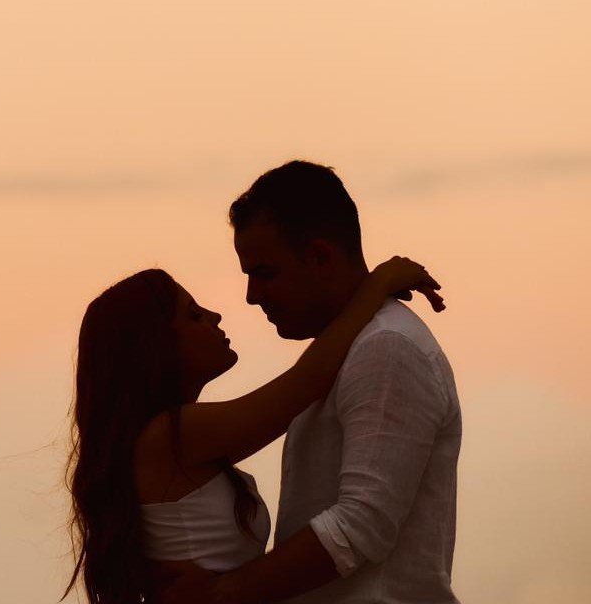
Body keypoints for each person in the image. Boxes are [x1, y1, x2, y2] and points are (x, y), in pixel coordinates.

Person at [62, 232, 446, 601]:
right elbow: (306, 382)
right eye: (194, 316)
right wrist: (377, 285)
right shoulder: (174, 435)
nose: (214, 315)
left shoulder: (174, 440)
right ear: (155, 347)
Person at [163, 160, 463, 604]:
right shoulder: (344, 353)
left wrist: (218, 594)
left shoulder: (386, 346)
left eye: (264, 273)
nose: (251, 296)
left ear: (320, 257)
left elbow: (361, 525)